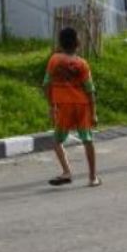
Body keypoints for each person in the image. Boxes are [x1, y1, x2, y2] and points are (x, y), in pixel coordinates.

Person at [44, 27, 100, 187]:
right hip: (82, 105)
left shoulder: (54, 60)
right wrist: (94, 113)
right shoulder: (82, 63)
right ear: (77, 43)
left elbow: (46, 84)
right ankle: (93, 177)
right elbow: (90, 90)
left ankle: (67, 171)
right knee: (87, 140)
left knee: (57, 140)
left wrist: (51, 105)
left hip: (63, 106)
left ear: (60, 43)